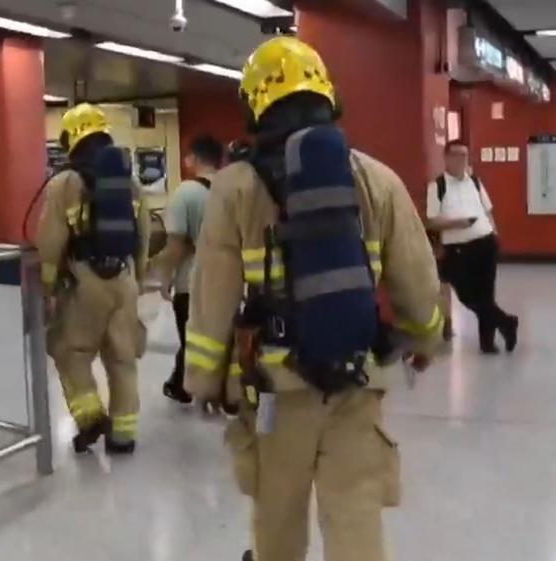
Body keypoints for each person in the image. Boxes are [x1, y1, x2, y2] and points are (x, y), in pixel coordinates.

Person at [184, 37, 443, 561]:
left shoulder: (233, 187)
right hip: (357, 378)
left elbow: (212, 296)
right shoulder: (376, 178)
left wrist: (204, 380)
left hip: (276, 389)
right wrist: (425, 339)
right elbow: (418, 282)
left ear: (256, 103)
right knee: (355, 516)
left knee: (277, 515)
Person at [38, 103, 151, 454]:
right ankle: (123, 435)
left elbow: (51, 240)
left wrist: (49, 283)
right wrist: (138, 278)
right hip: (125, 278)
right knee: (122, 358)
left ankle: (89, 418)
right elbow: (144, 236)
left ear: (72, 137)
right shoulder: (131, 184)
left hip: (85, 280)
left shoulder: (64, 182)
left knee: (70, 350)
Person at [426, 140, 518, 353]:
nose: (460, 159)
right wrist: (457, 223)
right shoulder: (437, 186)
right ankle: (506, 322)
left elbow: (488, 211)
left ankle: (487, 344)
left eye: (464, 155)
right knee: (467, 296)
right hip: (457, 250)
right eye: (456, 154)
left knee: (486, 295)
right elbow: (431, 221)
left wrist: (494, 235)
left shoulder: (475, 182)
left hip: (485, 245)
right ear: (446, 157)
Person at [158, 134, 222, 405]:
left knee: (191, 336)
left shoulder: (186, 192)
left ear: (194, 159)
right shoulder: (233, 188)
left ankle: (187, 385)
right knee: (220, 334)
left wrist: (164, 278)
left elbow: (176, 245)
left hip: (193, 279)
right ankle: (218, 387)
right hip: (230, 277)